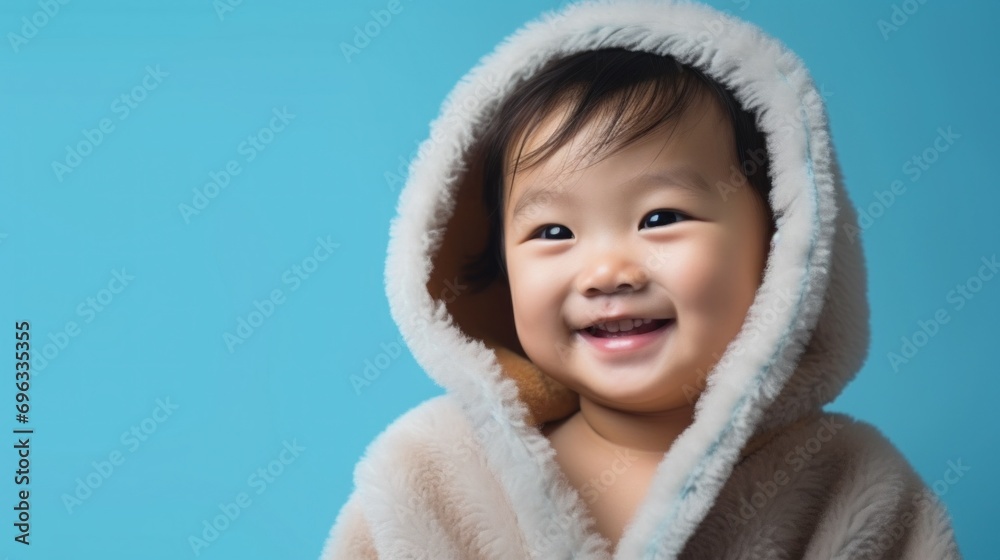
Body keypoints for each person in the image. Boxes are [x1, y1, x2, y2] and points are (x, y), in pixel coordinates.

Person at [319, 1, 962, 558]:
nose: (606, 273)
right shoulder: (430, 477)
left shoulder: (851, 485)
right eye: (552, 233)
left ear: (783, 247)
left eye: (659, 218)